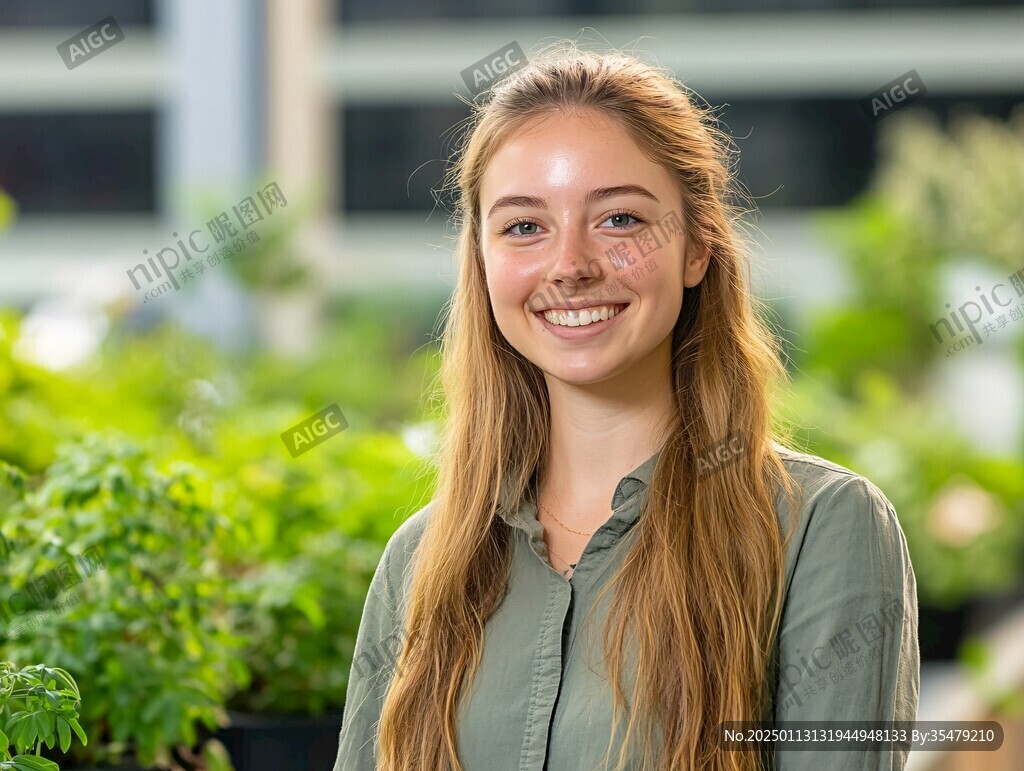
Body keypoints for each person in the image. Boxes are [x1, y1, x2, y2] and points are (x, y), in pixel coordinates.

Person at [334, 44, 919, 771]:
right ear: (481, 260)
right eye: (524, 226)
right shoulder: (421, 560)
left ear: (697, 247)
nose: (570, 266)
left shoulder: (821, 529)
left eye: (618, 219)